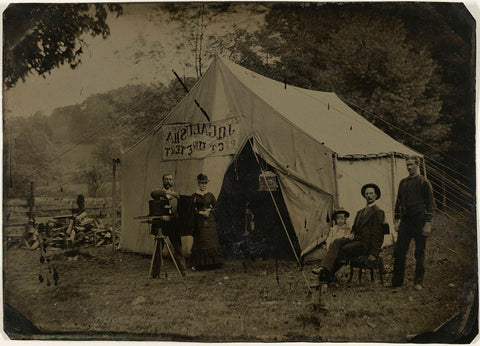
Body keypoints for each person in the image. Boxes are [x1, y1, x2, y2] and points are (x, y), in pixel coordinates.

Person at [313, 184, 385, 282]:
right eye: (367, 193)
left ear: (376, 195)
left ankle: (326, 273)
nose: (369, 195)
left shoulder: (378, 212)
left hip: (365, 245)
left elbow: (378, 234)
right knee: (336, 242)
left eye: (371, 193)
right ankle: (324, 269)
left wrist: (374, 253)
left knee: (343, 249)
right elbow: (355, 228)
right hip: (356, 240)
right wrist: (352, 233)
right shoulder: (360, 212)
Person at [391, 156, 434, 290]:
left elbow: (430, 204)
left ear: (418, 165)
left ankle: (418, 282)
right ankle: (397, 282)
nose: (409, 167)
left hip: (419, 220)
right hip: (405, 221)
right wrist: (397, 220)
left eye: (411, 165)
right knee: (399, 251)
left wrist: (428, 223)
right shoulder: (403, 182)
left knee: (419, 251)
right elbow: (398, 202)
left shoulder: (423, 182)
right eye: (407, 165)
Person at [151, 174, 187, 276]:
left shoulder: (176, 195)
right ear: (163, 180)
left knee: (178, 248)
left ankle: (183, 272)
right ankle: (155, 273)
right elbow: (153, 192)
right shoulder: (158, 193)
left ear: (173, 181)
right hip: (161, 224)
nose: (168, 181)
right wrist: (169, 192)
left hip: (173, 224)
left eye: (170, 179)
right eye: (166, 179)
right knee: (158, 249)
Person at [190, 173, 224, 270]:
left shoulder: (210, 195)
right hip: (200, 221)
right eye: (201, 183)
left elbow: (216, 207)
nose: (203, 185)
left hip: (210, 220)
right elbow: (192, 209)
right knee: (201, 240)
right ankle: (199, 264)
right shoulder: (194, 196)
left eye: (205, 183)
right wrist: (201, 213)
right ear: (198, 184)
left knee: (212, 240)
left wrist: (209, 210)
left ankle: (214, 263)